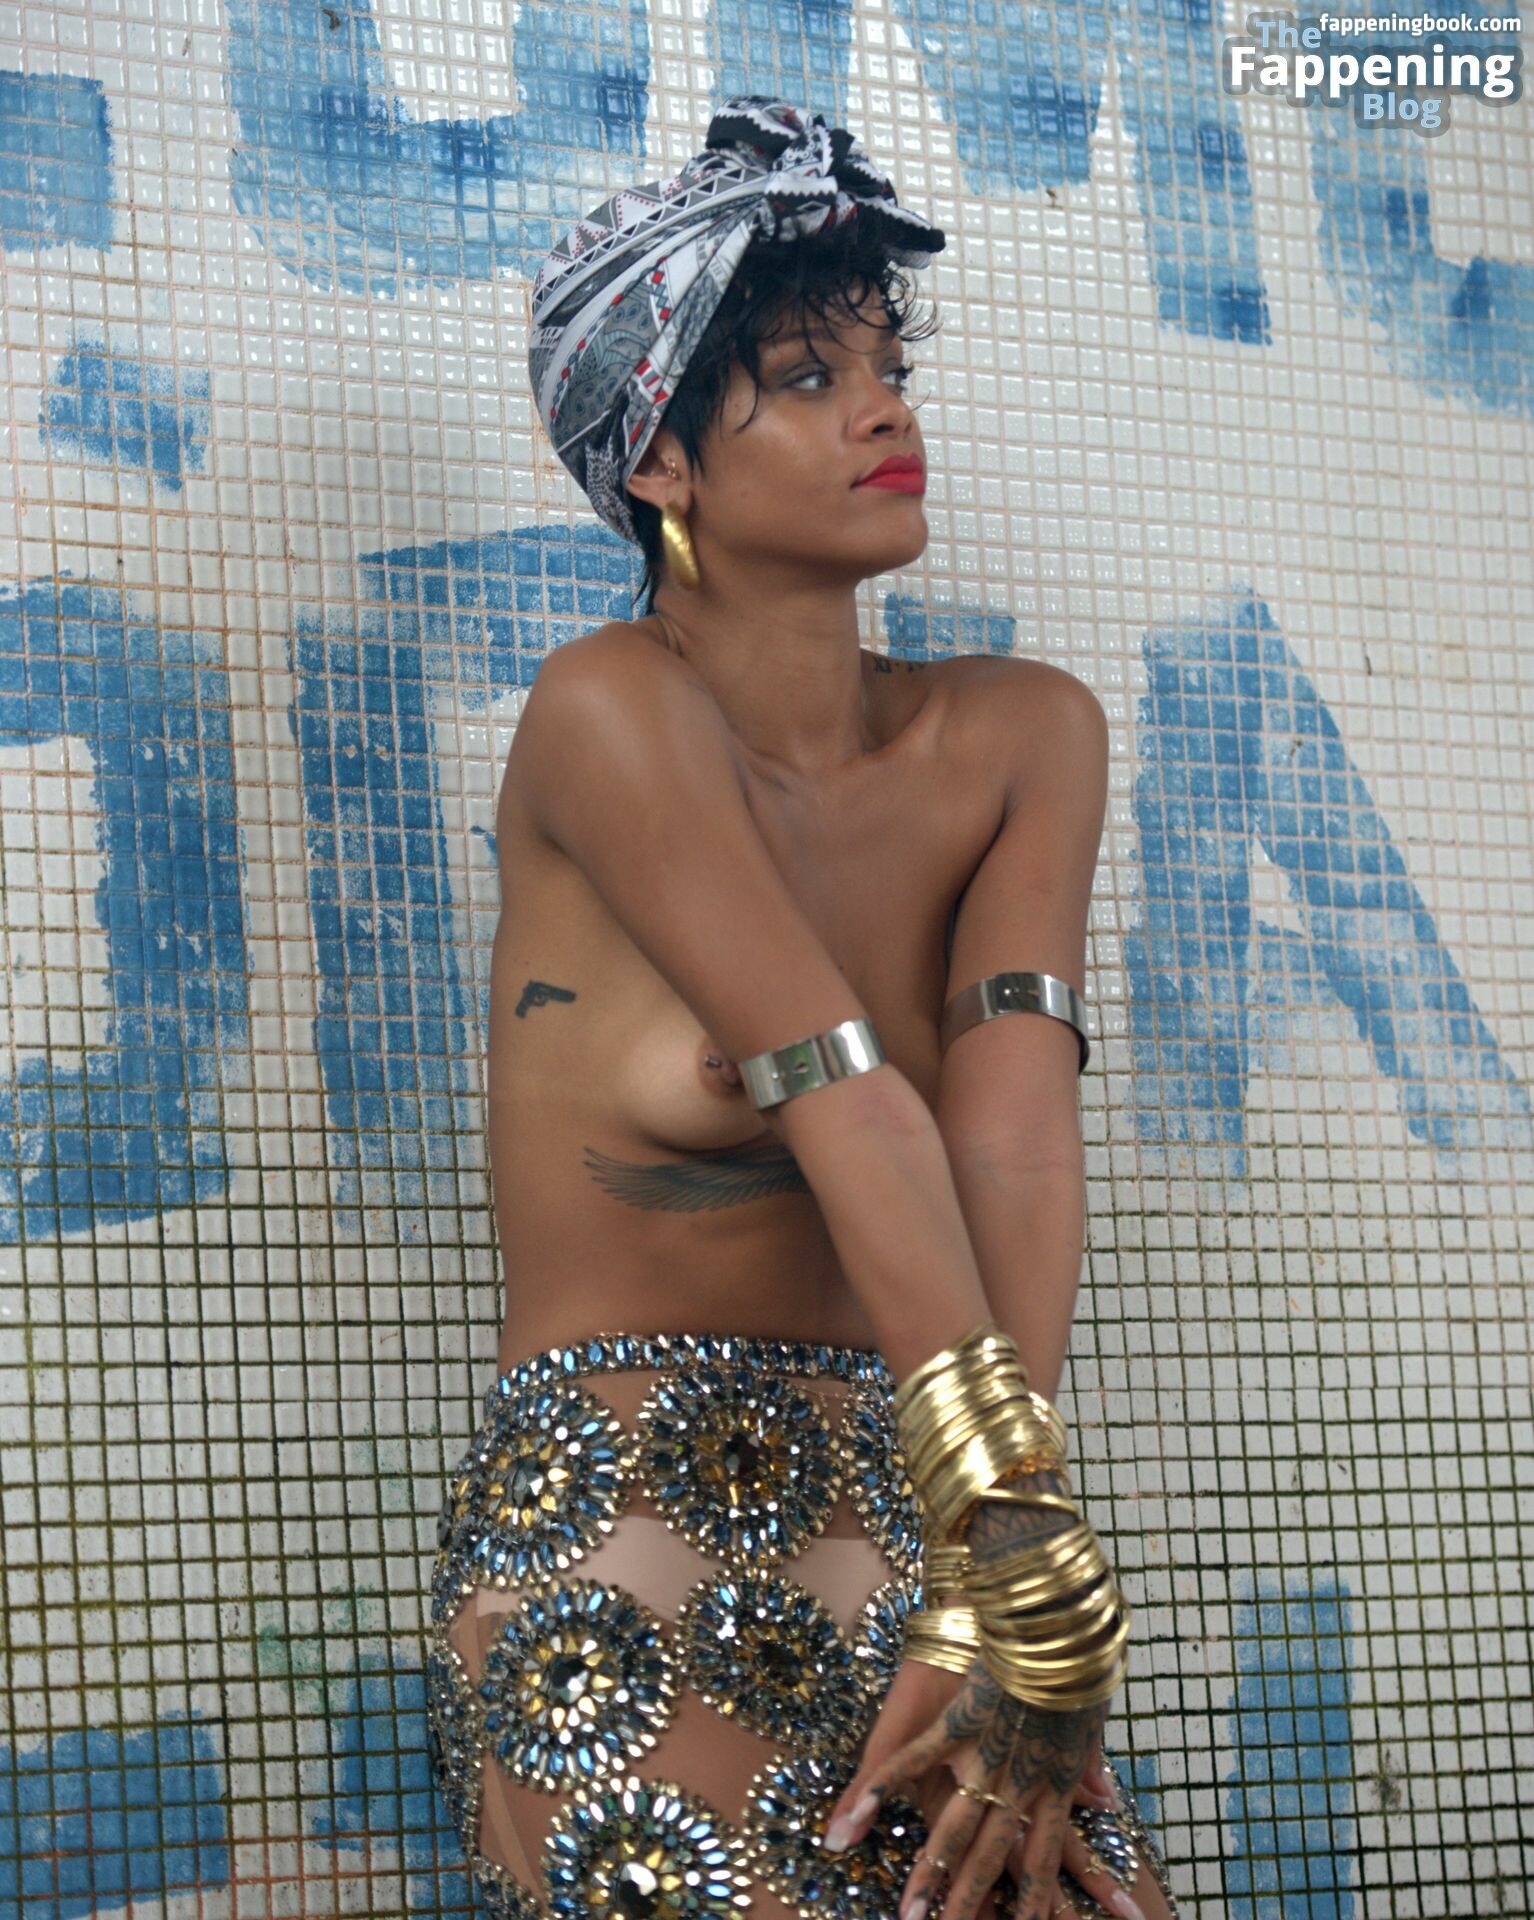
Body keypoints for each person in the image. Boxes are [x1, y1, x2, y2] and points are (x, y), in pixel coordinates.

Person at [426, 96, 1181, 1920]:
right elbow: (843, 1094)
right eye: (805, 377)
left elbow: (1010, 1141)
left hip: (927, 1523)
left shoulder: (1023, 738)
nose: (883, 411)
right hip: (627, 1528)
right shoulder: (610, 709)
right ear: (660, 461)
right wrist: (1007, 1524)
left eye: (886, 367)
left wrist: (995, 1570)